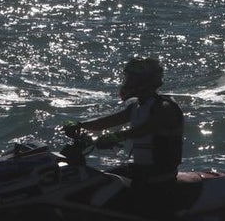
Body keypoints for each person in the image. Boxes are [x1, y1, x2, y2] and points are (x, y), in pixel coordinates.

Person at [64, 57, 184, 205]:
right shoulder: (137, 106)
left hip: (159, 175)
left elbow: (145, 129)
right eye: (128, 78)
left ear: (145, 81)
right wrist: (80, 125)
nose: (128, 82)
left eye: (133, 78)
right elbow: (107, 121)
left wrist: (118, 136)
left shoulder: (165, 107)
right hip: (140, 169)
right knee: (99, 181)